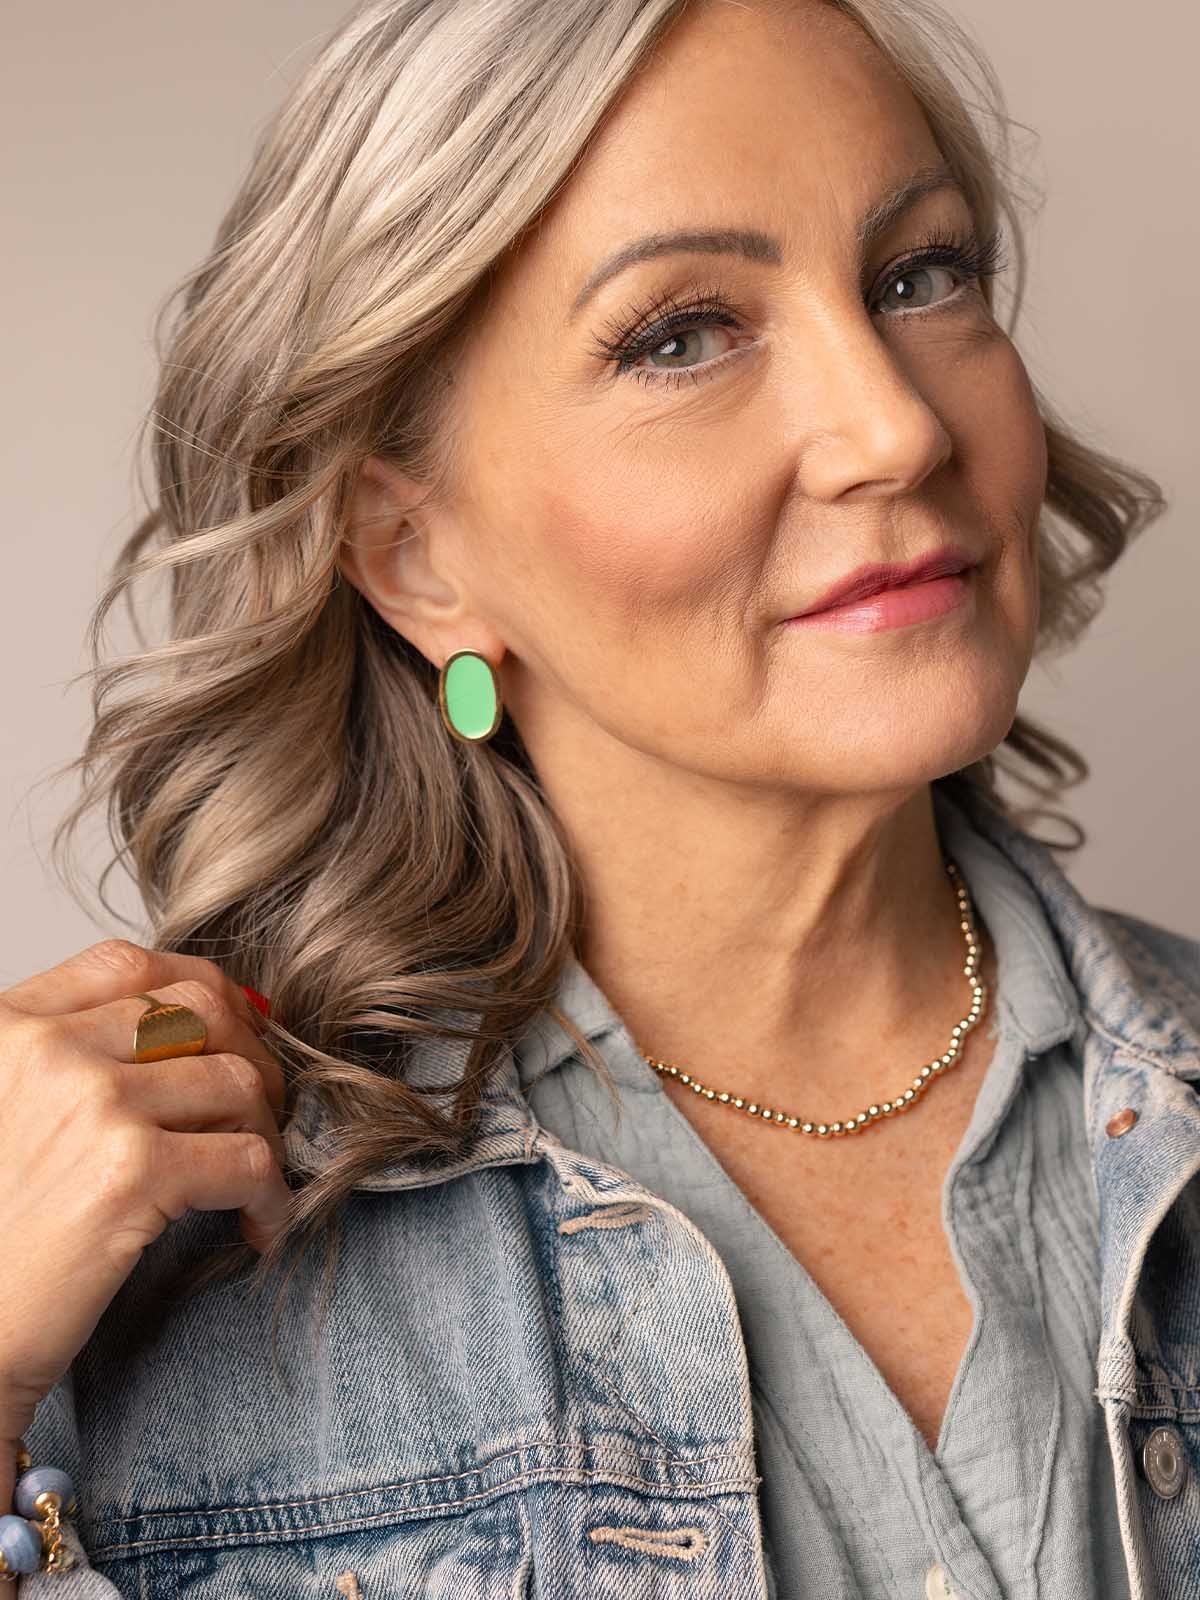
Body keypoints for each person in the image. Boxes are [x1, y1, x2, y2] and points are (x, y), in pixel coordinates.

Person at [2, 0, 1196, 1594]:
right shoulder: (143, 1234)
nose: (896, 428)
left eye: (921, 275)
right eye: (681, 336)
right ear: (414, 556)